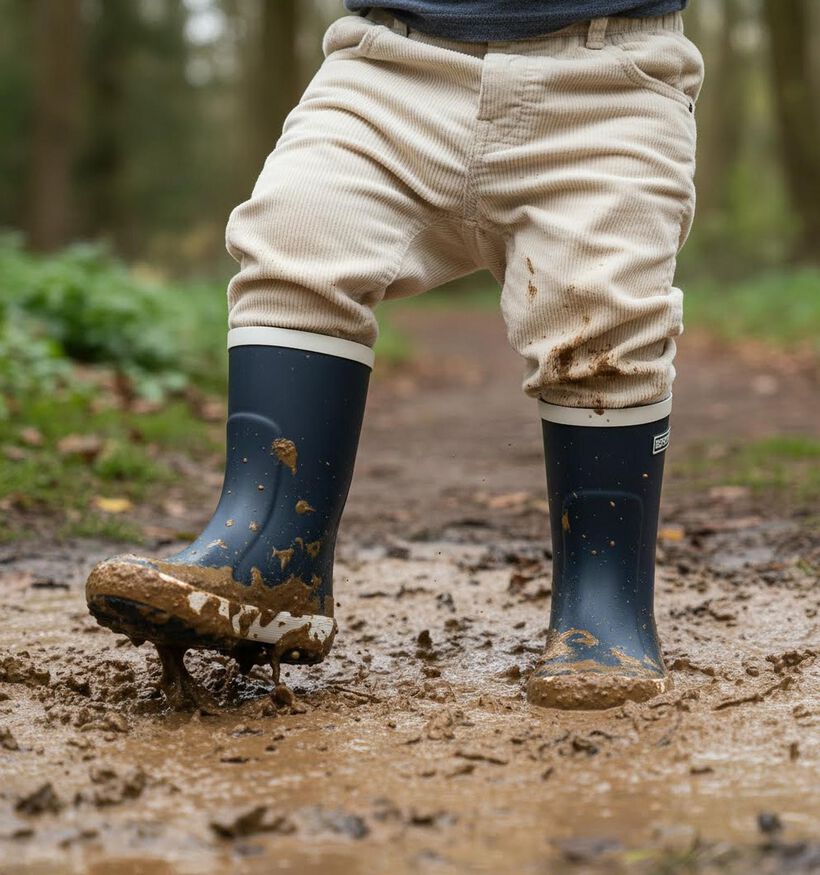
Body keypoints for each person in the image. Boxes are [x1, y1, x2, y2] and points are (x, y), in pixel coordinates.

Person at [85, 0, 704, 710]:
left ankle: (605, 605)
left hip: (610, 78)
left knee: (601, 316)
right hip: (386, 61)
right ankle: (272, 551)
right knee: (297, 236)